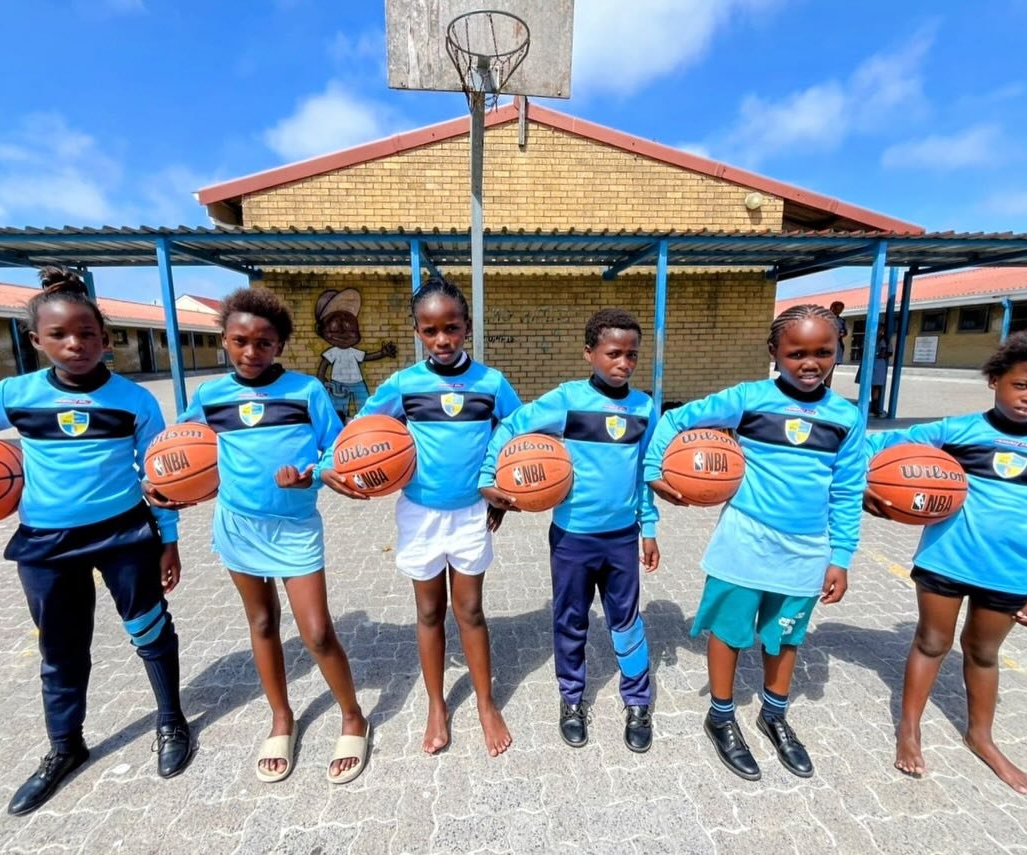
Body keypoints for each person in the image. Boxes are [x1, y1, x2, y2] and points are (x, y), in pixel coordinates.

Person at [0, 267, 193, 815]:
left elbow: (160, 474)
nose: (75, 344)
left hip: (125, 535)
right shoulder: (13, 394)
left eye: (87, 333)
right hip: (46, 543)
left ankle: (171, 720)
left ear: (106, 338)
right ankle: (64, 746)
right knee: (60, 649)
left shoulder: (134, 400)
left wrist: (167, 540)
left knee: (150, 630)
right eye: (58, 335)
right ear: (35, 341)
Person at [145, 288, 370, 784]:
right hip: (237, 526)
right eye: (241, 341)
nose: (252, 352)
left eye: (264, 342)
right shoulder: (209, 397)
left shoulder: (306, 391)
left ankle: (353, 715)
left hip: (293, 528)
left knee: (315, 631)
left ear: (280, 345)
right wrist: (162, 482)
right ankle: (281, 717)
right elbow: (181, 453)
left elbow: (336, 450)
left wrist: (310, 473)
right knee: (263, 623)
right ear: (224, 340)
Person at [645, 303, 865, 780]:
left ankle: (774, 714)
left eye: (824, 352)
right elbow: (674, 420)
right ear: (774, 352)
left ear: (838, 351)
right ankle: (720, 715)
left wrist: (841, 556)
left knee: (785, 637)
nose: (810, 363)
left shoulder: (847, 418)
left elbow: (847, 491)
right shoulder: (748, 398)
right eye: (797, 353)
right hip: (744, 541)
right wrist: (653, 471)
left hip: (807, 549)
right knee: (729, 632)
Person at [864, 327, 1027, 795]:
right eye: (1023, 384)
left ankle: (981, 736)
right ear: (995, 379)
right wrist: (868, 487)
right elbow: (877, 448)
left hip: (1010, 573)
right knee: (932, 642)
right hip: (945, 560)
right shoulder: (956, 431)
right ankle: (910, 728)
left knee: (983, 652)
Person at [323, 277, 520, 757]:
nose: (442, 340)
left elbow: (516, 437)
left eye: (451, 328)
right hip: (420, 514)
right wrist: (326, 469)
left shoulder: (491, 383)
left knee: (470, 611)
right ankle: (437, 705)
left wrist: (502, 496)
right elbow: (361, 434)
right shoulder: (404, 384)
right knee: (429, 611)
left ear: (467, 328)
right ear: (417, 332)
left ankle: (487, 704)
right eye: (430, 331)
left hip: (472, 512)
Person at [479, 308, 660, 753]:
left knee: (626, 620)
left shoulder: (644, 408)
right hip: (573, 537)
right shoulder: (566, 400)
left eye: (632, 355)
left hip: (621, 536)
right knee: (571, 620)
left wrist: (649, 527)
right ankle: (572, 697)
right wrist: (490, 477)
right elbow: (511, 426)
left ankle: (637, 700)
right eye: (613, 353)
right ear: (589, 353)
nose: (624, 363)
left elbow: (645, 472)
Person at [314, 287, 397, 421]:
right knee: (339, 410)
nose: (343, 332)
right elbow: (324, 365)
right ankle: (340, 429)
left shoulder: (353, 352)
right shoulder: (333, 352)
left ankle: (365, 424)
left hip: (357, 382)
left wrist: (382, 353)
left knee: (365, 405)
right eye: (336, 329)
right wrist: (321, 381)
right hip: (338, 384)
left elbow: (367, 357)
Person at [855, 331, 891, 417]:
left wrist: (882, 354)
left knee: (876, 386)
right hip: (868, 362)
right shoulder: (868, 339)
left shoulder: (885, 340)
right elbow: (861, 350)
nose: (880, 332)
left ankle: (875, 407)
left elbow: (889, 352)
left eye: (882, 330)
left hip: (879, 364)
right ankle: (864, 406)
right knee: (866, 385)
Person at [824, 300, 847, 388]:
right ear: (832, 308)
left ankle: (827, 389)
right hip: (825, 347)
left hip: (836, 348)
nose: (839, 311)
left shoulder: (841, 321)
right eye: (838, 309)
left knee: (830, 370)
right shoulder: (824, 319)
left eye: (841, 310)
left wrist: (842, 333)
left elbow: (845, 332)